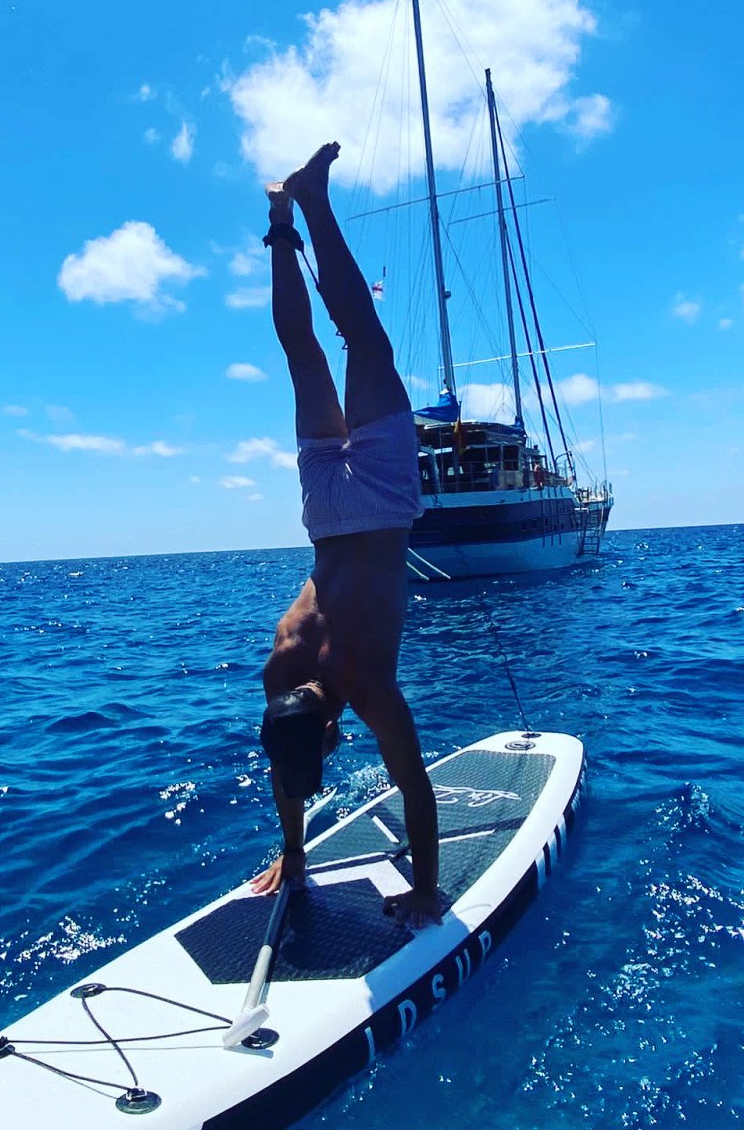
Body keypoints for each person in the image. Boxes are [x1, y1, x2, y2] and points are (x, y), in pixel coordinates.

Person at [248, 143, 441, 929]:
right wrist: (293, 855)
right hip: (328, 515)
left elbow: (414, 782)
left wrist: (426, 893)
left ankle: (315, 202)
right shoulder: (280, 665)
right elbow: (284, 757)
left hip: (384, 507)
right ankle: (283, 218)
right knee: (310, 355)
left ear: (330, 726)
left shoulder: (367, 685)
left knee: (366, 344)